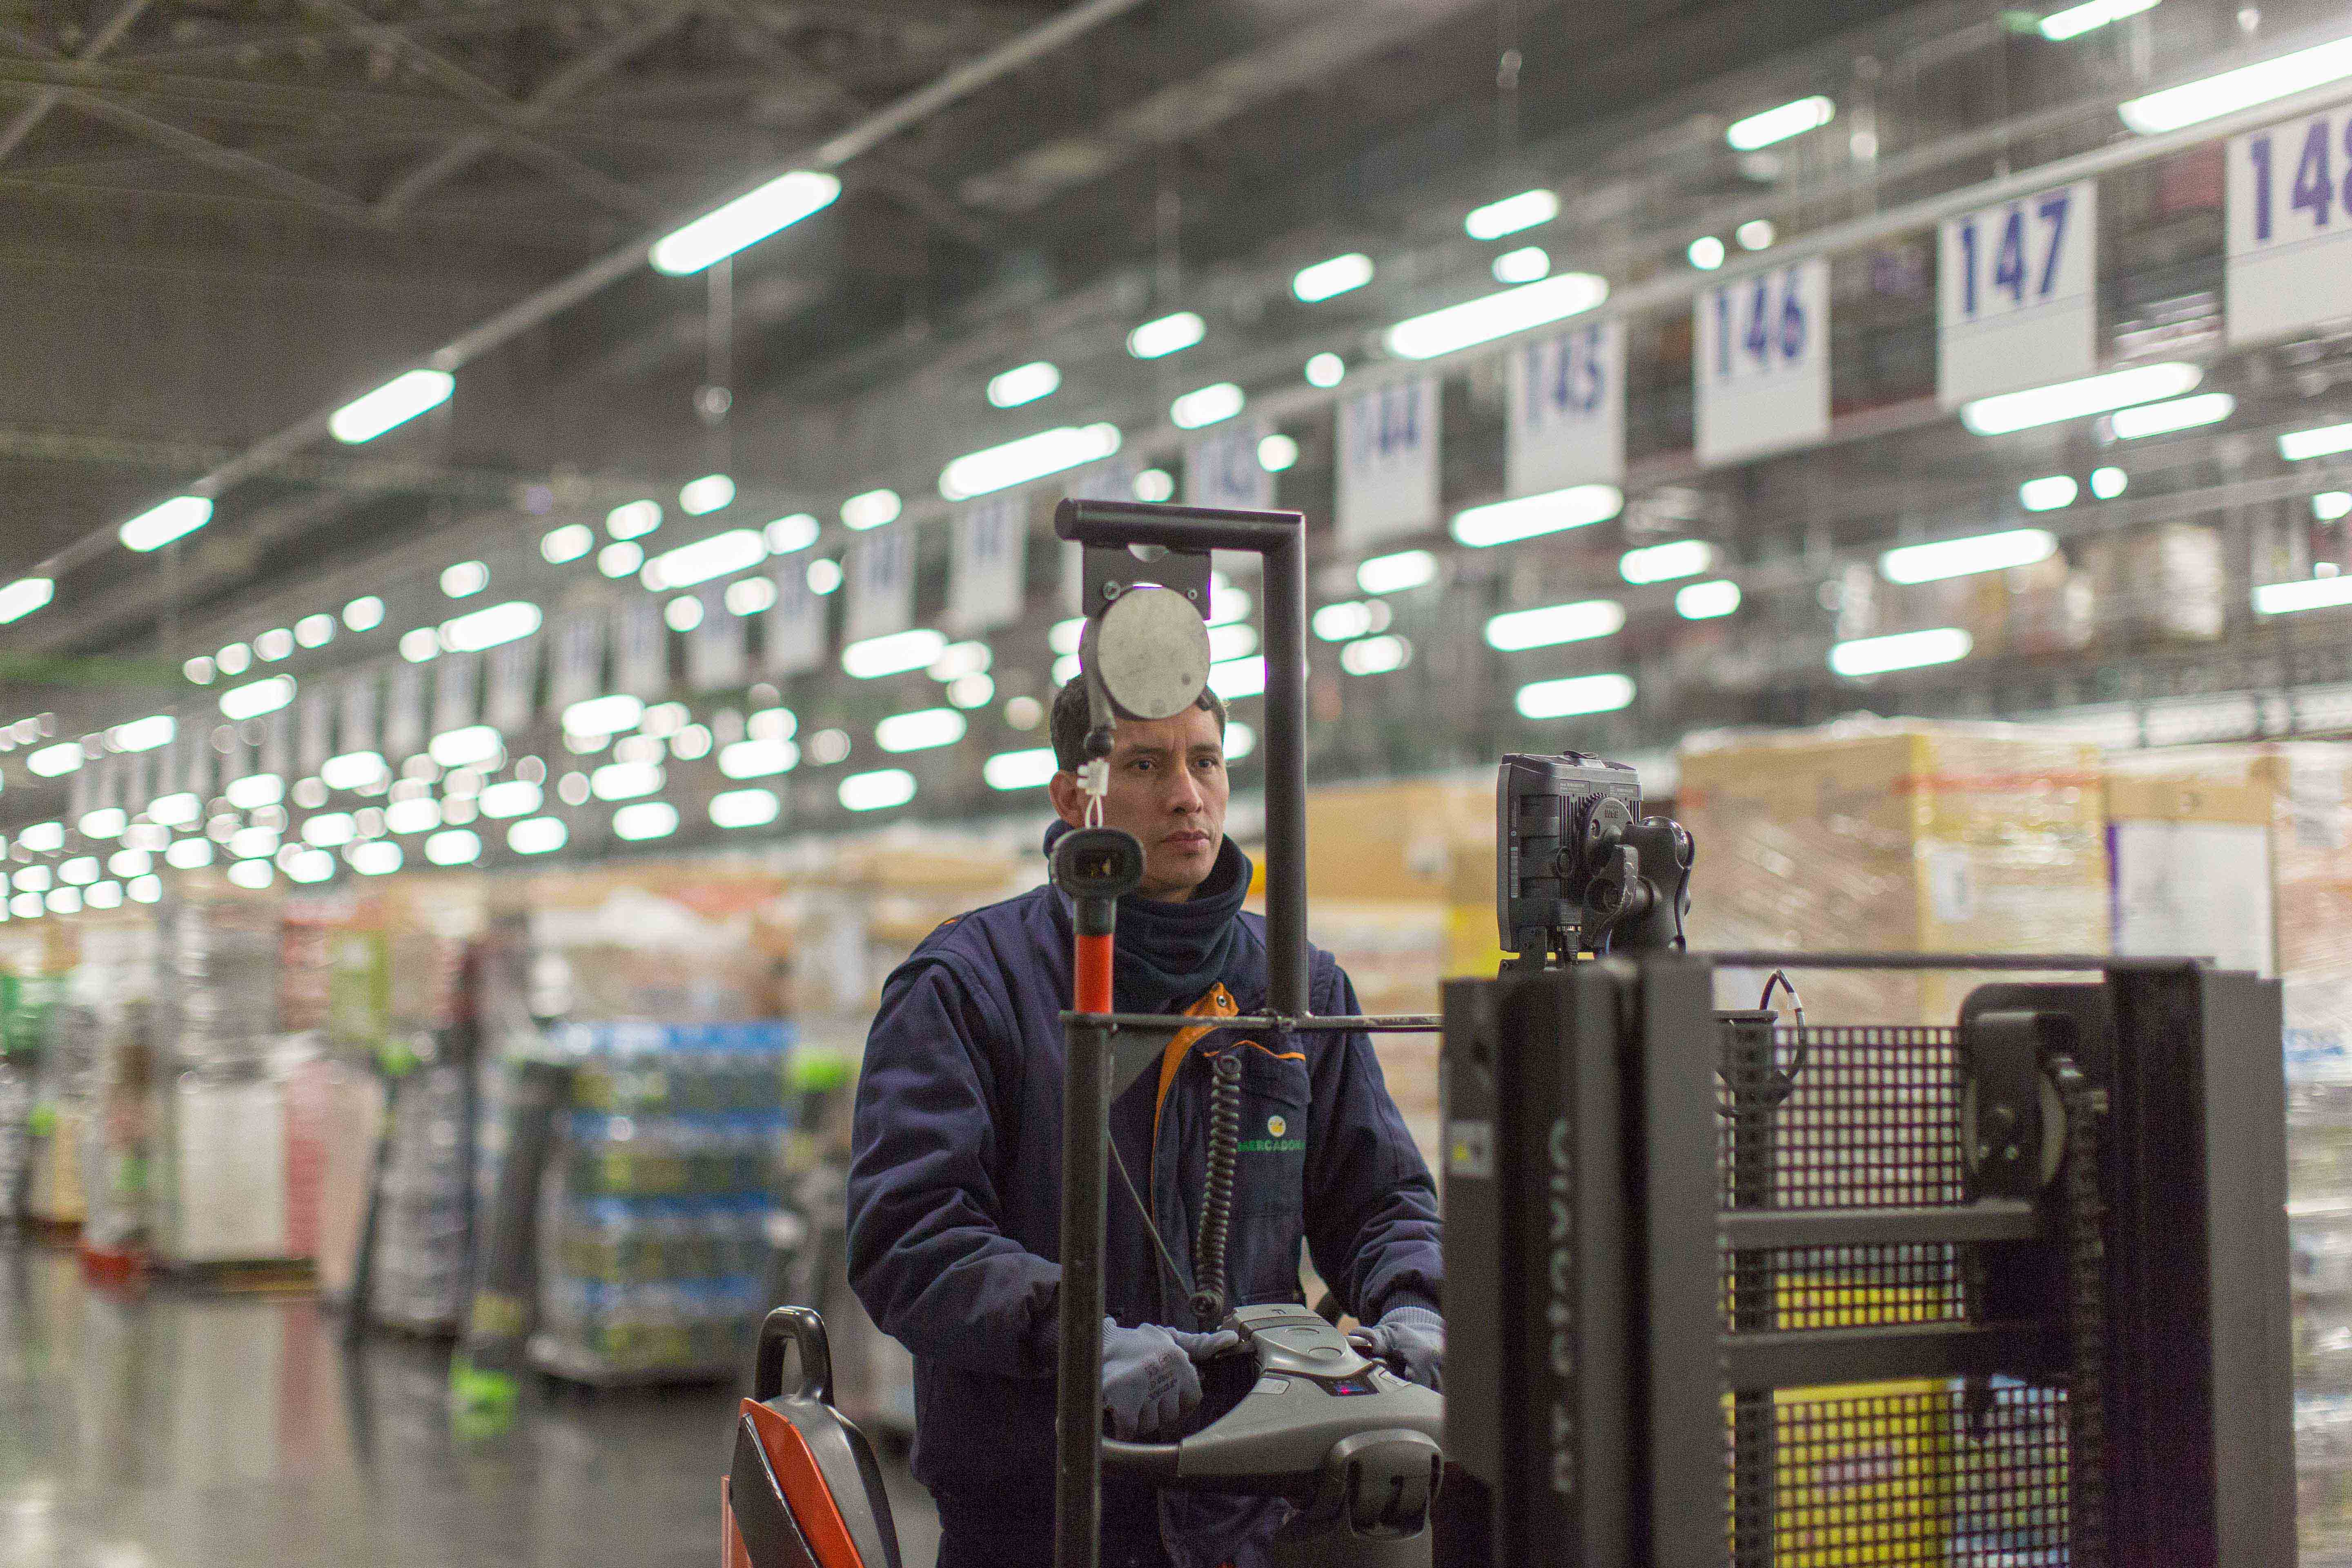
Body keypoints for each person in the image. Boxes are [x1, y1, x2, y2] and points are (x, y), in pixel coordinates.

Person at [847, 677, 1443, 1568]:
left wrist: (1418, 1304)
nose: (1186, 794)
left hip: (1251, 1510)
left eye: (1205, 760)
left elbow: (1383, 1200)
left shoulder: (1297, 990)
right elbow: (909, 1235)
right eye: (1145, 764)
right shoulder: (971, 983)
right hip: (1036, 1520)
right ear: (1072, 796)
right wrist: (1079, 1338)